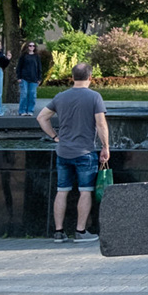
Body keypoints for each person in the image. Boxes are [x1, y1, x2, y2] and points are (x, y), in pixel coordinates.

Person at [37, 61, 109, 242]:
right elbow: (101, 124)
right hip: (85, 152)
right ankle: (80, 232)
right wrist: (105, 146)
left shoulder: (61, 97)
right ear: (90, 77)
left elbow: (41, 117)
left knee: (62, 191)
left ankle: (59, 232)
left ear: (73, 77)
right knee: (85, 191)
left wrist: (54, 137)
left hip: (63, 152)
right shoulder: (94, 97)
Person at [17, 43, 43, 115]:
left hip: (34, 78)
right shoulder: (23, 56)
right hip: (24, 77)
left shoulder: (36, 56)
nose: (32, 47)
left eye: (33, 46)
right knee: (24, 94)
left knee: (32, 95)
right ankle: (22, 110)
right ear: (27, 47)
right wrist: (19, 77)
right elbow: (19, 67)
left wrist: (39, 78)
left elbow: (39, 68)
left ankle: (30, 110)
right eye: (30, 46)